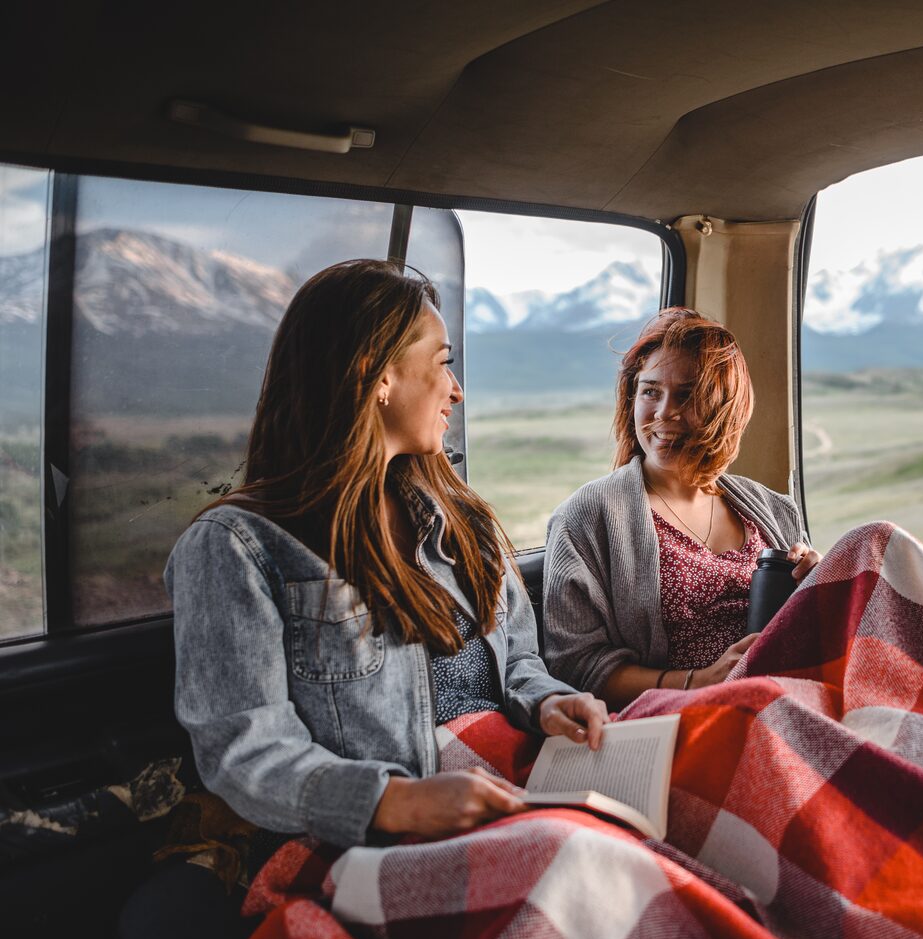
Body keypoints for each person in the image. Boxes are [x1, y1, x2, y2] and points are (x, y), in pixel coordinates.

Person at [165, 259, 607, 850]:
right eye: (443, 364)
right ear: (377, 378)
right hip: (384, 839)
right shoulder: (237, 547)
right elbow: (246, 753)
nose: (457, 390)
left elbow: (518, 661)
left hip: (520, 780)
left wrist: (549, 700)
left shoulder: (459, 518)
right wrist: (394, 803)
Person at [544, 307, 820, 708]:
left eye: (687, 395)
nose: (664, 413)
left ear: (724, 409)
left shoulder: (774, 510)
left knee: (874, 543)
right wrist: (701, 682)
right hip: (682, 716)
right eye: (651, 391)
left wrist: (817, 582)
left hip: (788, 695)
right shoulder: (589, 516)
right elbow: (577, 667)